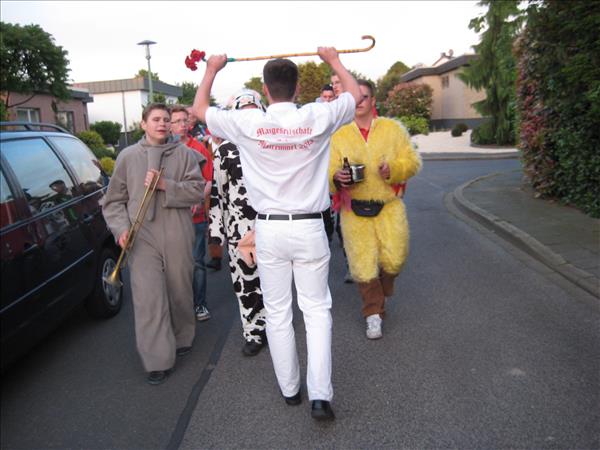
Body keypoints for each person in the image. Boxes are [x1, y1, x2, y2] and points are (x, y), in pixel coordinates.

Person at [193, 47, 361, 421]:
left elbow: (199, 109)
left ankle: (290, 390)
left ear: (265, 90)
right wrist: (333, 61)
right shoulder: (317, 114)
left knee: (278, 312)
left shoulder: (248, 122)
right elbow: (355, 95)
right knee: (316, 311)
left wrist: (212, 69)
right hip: (309, 225)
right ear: (298, 88)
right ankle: (320, 396)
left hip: (269, 228)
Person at [102, 103, 205, 385]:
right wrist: (121, 229)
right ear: (143, 124)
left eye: (166, 120)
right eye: (156, 119)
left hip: (177, 231)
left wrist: (165, 185)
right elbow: (113, 201)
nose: (162, 124)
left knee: (179, 290)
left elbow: (197, 192)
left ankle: (182, 335)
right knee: (148, 297)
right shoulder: (127, 157)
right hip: (141, 236)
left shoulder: (184, 154)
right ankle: (157, 360)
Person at [329, 80, 421, 340]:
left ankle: (381, 294)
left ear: (373, 101)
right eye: (355, 97)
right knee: (363, 265)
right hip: (354, 210)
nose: (359, 102)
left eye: (364, 97)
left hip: (389, 206)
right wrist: (336, 178)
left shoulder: (393, 129)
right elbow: (328, 170)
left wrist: (394, 169)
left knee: (395, 258)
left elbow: (413, 162)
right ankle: (373, 314)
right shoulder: (339, 134)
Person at [208, 88, 268, 357]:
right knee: (246, 283)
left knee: (274, 282)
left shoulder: (273, 143)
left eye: (253, 112)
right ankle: (253, 332)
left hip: (272, 225)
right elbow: (217, 193)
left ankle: (276, 327)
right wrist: (216, 234)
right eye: (243, 114)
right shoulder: (225, 150)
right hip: (239, 230)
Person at [170, 105, 213, 322]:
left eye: (184, 120)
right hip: (170, 219)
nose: (181, 125)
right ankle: (180, 308)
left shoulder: (198, 148)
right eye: (176, 121)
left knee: (197, 262)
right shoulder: (164, 151)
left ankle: (200, 304)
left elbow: (209, 180)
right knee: (174, 266)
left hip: (195, 218)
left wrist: (197, 198)